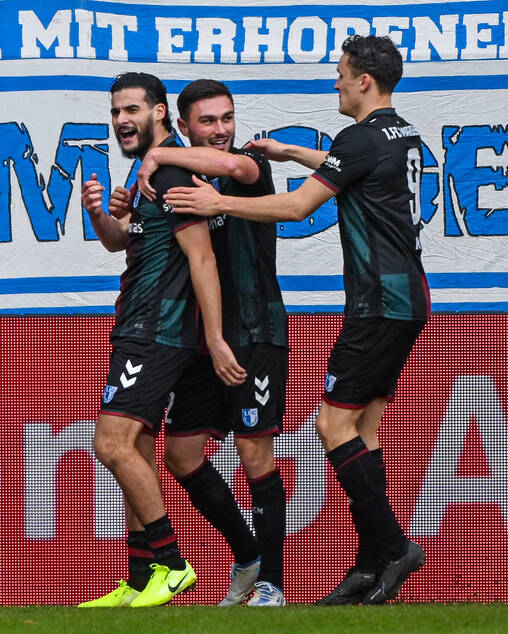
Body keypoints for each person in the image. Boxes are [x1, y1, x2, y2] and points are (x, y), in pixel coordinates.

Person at [164, 35, 429, 605]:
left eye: (340, 74)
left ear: (362, 81)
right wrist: (295, 155)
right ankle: (368, 564)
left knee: (331, 428)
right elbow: (354, 169)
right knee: (364, 429)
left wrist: (220, 204)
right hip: (406, 296)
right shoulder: (401, 132)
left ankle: (390, 547)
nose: (335, 82)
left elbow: (294, 208)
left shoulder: (358, 136)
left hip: (377, 300)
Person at [77, 72, 246, 608]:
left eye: (132, 110)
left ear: (159, 112)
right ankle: (140, 577)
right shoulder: (149, 167)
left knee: (111, 443)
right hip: (142, 325)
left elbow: (202, 257)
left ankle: (171, 566)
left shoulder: (171, 165)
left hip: (157, 330)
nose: (123, 120)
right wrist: (100, 215)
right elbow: (122, 245)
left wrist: (215, 338)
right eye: (116, 112)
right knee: (139, 449)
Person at [131, 79, 288, 607]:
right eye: (208, 122)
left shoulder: (245, 163)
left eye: (227, 118)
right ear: (185, 125)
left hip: (255, 331)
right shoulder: (180, 178)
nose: (221, 130)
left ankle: (273, 585)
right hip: (203, 341)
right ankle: (247, 556)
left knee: (253, 450)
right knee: (179, 453)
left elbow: (240, 171)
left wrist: (158, 153)